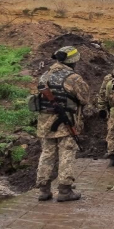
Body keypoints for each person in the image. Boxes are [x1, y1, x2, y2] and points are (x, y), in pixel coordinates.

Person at [35, 46, 90, 202]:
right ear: (72, 61)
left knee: (46, 154)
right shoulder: (73, 78)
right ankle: (65, 190)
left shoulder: (45, 75)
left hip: (45, 122)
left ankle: (43, 189)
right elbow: (84, 98)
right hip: (66, 122)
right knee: (67, 153)